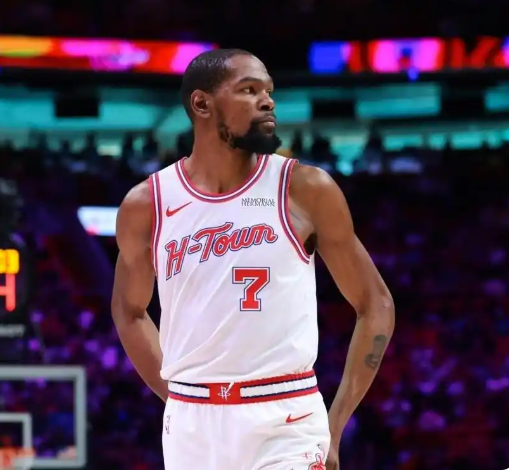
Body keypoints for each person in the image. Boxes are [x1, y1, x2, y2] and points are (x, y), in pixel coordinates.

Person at [110, 49, 395, 470]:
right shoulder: (147, 205)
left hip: (285, 417)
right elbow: (129, 311)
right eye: (249, 90)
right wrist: (179, 397)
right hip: (192, 427)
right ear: (202, 104)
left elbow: (376, 305)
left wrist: (333, 428)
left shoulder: (304, 189)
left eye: (269, 91)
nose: (268, 101)